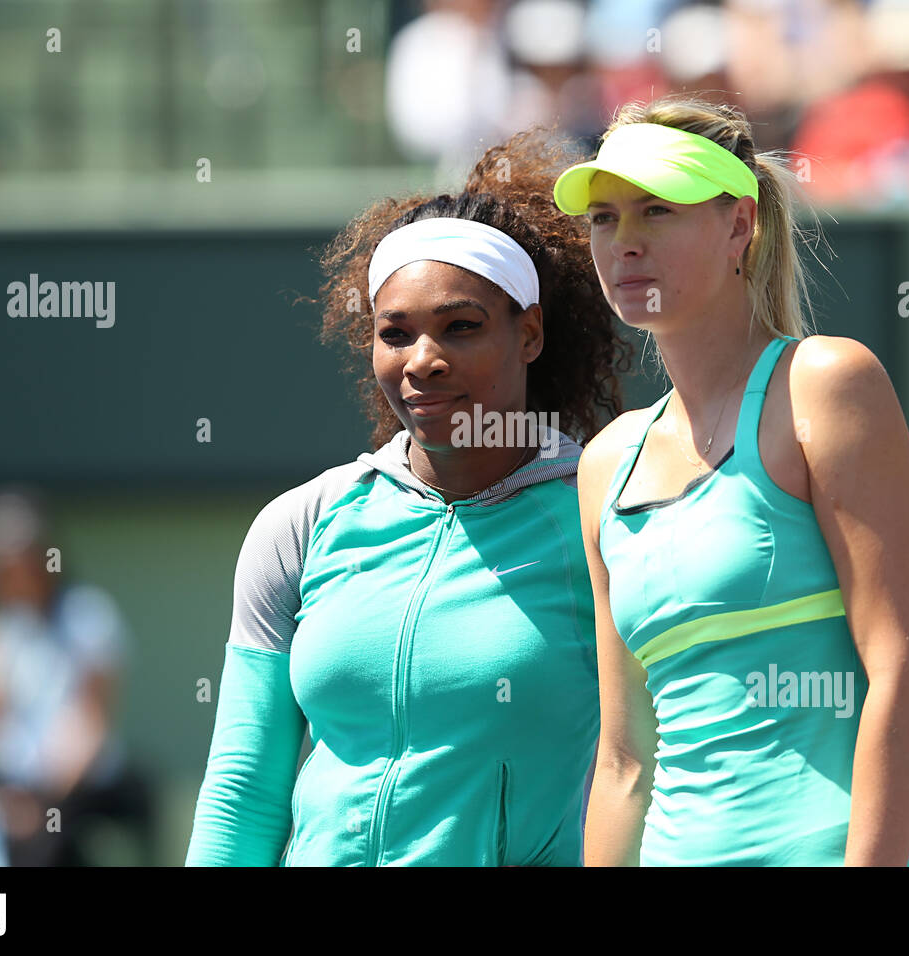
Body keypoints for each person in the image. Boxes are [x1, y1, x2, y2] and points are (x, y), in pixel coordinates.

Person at [185, 129, 629, 866]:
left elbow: (655, 768)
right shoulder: (301, 525)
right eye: (396, 333)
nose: (423, 360)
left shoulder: (604, 517)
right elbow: (243, 791)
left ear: (531, 333)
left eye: (461, 327)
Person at [555, 94, 909, 865]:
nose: (623, 243)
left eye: (656, 211)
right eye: (604, 218)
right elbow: (626, 759)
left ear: (740, 223)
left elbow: (904, 671)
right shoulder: (603, 463)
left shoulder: (829, 382)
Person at [0, 486, 152, 866]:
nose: (15, 574)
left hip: (84, 785)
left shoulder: (87, 617)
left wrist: (46, 799)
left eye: (25, 560)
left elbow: (90, 725)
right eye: (3, 565)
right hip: (9, 786)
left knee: (44, 843)